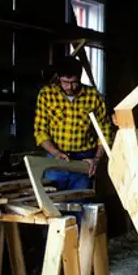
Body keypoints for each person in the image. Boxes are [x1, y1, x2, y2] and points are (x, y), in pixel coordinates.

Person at [33, 56, 112, 191]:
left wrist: (96, 159)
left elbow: (104, 132)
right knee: (54, 205)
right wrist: (55, 152)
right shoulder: (46, 95)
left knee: (80, 204)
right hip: (56, 159)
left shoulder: (93, 96)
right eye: (65, 82)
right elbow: (40, 131)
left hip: (84, 160)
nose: (69, 87)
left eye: (74, 82)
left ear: (80, 78)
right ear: (58, 77)